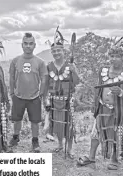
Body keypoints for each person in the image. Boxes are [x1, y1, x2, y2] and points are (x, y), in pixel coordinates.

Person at [77, 36, 123, 170]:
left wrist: (121, 93)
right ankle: (91, 157)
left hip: (119, 111)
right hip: (102, 108)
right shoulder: (103, 70)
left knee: (116, 134)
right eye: (112, 56)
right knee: (96, 133)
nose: (113, 58)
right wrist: (95, 104)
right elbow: (98, 89)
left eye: (117, 56)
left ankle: (114, 159)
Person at [43, 27, 79, 158]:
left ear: (63, 51)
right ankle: (59, 144)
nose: (56, 53)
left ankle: (69, 149)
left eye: (59, 50)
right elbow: (46, 84)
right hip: (54, 99)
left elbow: (76, 82)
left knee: (68, 125)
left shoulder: (70, 66)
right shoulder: (49, 66)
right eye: (54, 51)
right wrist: (46, 99)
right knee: (57, 124)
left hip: (66, 100)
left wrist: (74, 71)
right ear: (51, 52)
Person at [8, 32, 48, 152]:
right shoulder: (15, 61)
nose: (28, 46)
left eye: (31, 44)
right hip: (18, 96)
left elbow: (44, 79)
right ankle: (15, 137)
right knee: (17, 119)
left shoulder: (40, 62)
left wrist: (41, 94)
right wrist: (12, 93)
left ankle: (35, 141)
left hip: (34, 97)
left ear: (35, 45)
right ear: (22, 45)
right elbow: (11, 78)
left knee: (35, 121)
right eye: (26, 43)